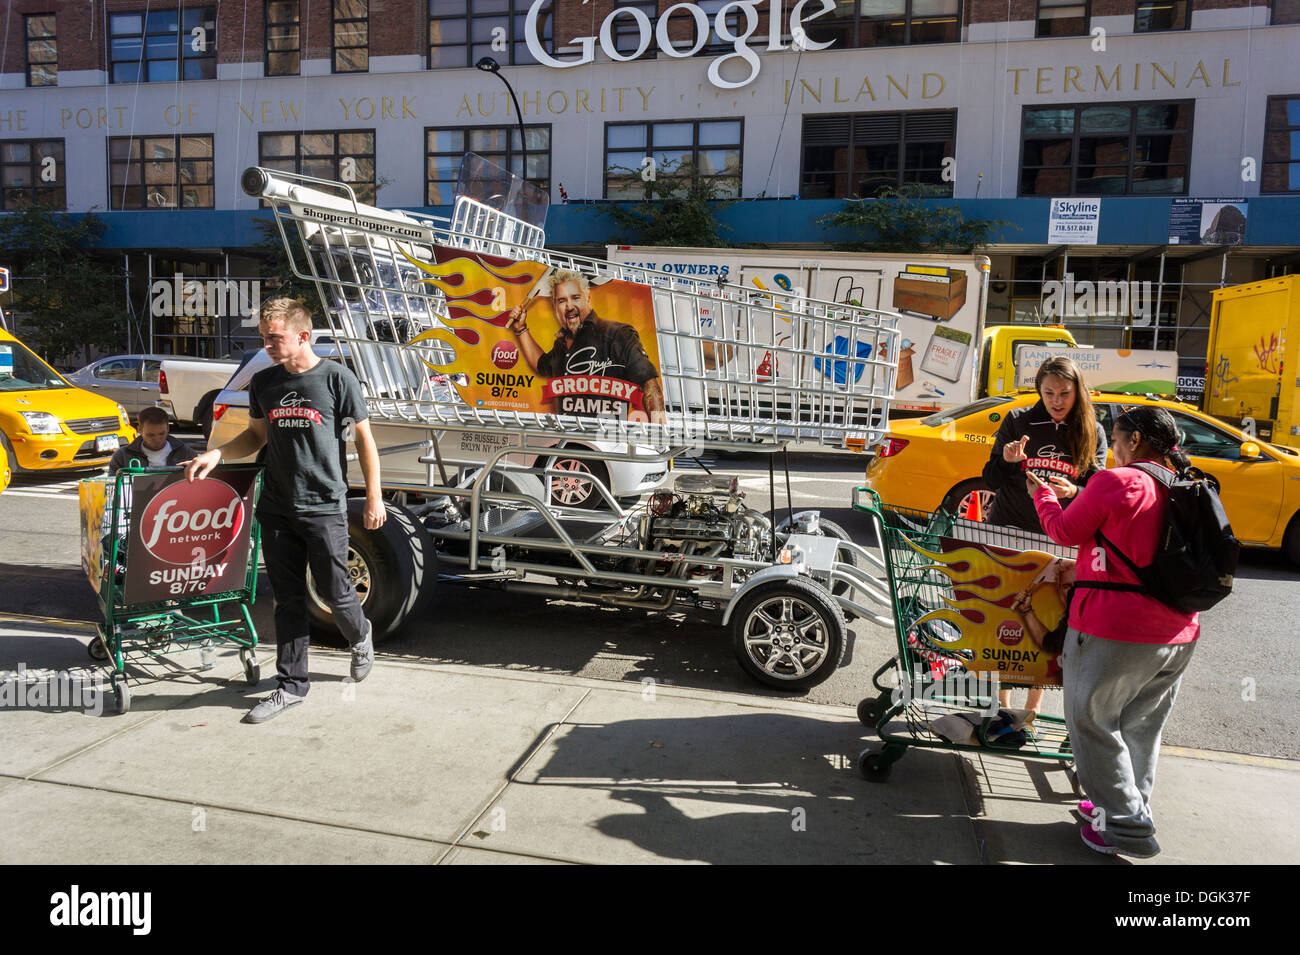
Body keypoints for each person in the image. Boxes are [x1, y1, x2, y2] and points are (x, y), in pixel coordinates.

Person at [183, 298, 386, 724]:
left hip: (323, 506)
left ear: (302, 336)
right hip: (276, 506)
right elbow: (255, 436)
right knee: (289, 600)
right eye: (264, 338)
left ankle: (360, 633)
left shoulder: (336, 379)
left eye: (274, 338)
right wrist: (218, 454)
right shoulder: (265, 382)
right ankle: (291, 685)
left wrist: (374, 497)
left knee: (335, 590)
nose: (268, 345)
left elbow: (365, 441)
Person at [1028, 405, 1198, 858]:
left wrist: (1043, 497)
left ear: (1135, 441)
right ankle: (1126, 808)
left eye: (1118, 441)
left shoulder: (1117, 481)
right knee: (1140, 727)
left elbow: (1064, 530)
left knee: (1092, 722)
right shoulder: (1185, 482)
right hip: (1178, 632)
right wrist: (1081, 490)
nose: (1114, 449)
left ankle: (1123, 827)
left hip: (1114, 628)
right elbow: (1131, 521)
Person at [982, 355, 1107, 715]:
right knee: (1005, 619)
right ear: (1039, 390)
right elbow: (990, 480)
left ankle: (1031, 710)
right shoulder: (1020, 421)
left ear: (1077, 391)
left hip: (1059, 538)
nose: (1056, 400)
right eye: (1049, 392)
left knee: (1050, 622)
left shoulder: (1091, 430)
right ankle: (1002, 707)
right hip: (1010, 530)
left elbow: (1097, 491)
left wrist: (1074, 492)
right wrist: (1006, 460)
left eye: (1064, 393)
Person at [507, 269, 667, 424]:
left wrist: (660, 436)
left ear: (588, 299)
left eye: (575, 297)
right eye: (561, 300)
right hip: (569, 441)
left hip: (607, 441)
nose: (569, 306)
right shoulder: (562, 344)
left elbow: (650, 386)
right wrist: (521, 329)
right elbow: (542, 364)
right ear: (555, 307)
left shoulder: (618, 334)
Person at [109, 406, 197, 474]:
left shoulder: (186, 453)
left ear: (168, 429)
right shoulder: (122, 457)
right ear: (139, 430)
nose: (157, 439)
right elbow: (112, 489)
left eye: (161, 434)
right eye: (150, 435)